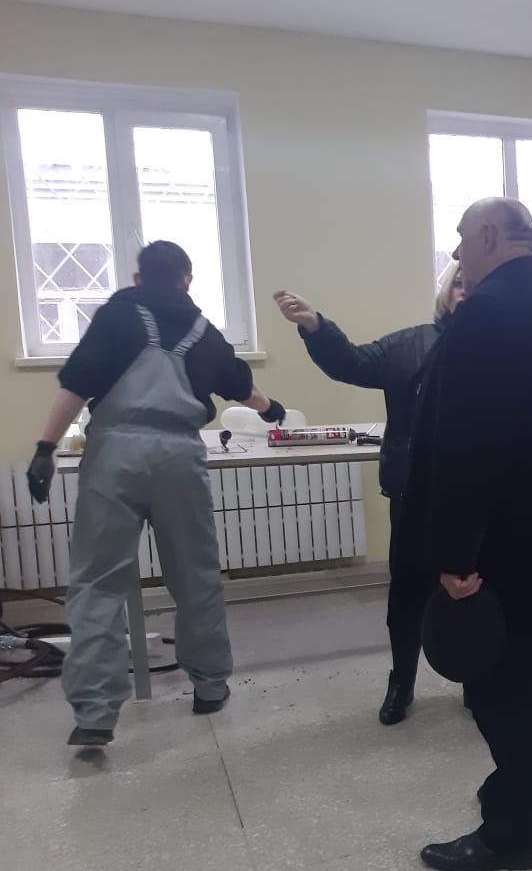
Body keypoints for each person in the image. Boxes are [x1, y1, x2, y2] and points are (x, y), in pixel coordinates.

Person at [402, 198, 532, 871]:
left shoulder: (488, 313)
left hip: (499, 540)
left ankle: (511, 832)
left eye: (462, 239)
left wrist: (455, 552)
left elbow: (469, 446)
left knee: (503, 684)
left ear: (489, 235)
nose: (458, 253)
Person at [25, 241, 287, 746]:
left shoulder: (118, 314)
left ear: (138, 278)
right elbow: (242, 387)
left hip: (114, 457)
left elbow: (76, 384)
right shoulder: (204, 331)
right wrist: (271, 408)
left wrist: (45, 448)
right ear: (187, 279)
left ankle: (95, 714)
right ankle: (209, 685)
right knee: (194, 575)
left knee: (98, 582)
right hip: (179, 458)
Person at [272, 263, 464, 724]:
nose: (466, 290)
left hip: (478, 492)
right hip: (415, 490)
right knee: (409, 590)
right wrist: (315, 325)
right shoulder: (412, 344)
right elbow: (352, 362)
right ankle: (402, 681)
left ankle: (476, 676)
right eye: (459, 282)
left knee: (475, 588)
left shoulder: (506, 348)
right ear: (445, 291)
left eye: (475, 283)